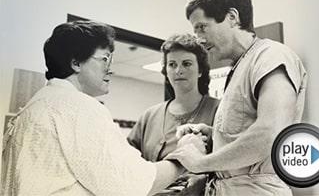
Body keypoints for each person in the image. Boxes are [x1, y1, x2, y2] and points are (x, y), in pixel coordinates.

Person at [1, 21, 206, 196]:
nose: (110, 67)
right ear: (76, 63)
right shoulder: (77, 108)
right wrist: (184, 156)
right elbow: (132, 184)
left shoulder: (35, 106)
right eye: (104, 58)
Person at [166, 0, 307, 196]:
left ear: (232, 17)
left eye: (202, 27)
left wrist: (201, 163)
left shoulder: (272, 55)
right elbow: (249, 133)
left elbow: (270, 134)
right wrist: (214, 135)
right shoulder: (242, 65)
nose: (199, 39)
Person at [127, 34, 219, 196]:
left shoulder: (219, 110)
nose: (178, 70)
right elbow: (129, 162)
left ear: (200, 71)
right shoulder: (149, 116)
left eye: (187, 64)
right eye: (172, 64)